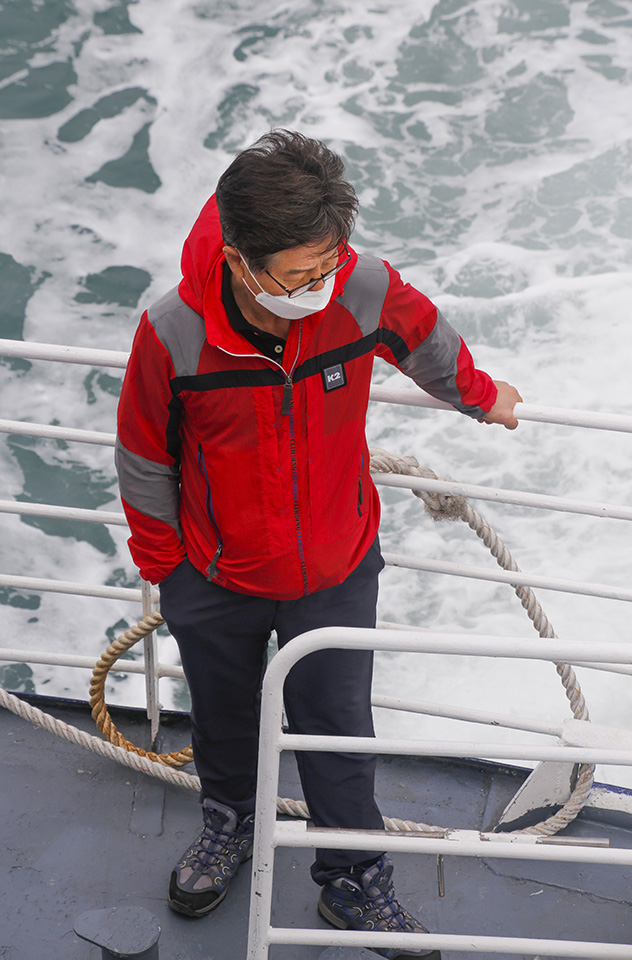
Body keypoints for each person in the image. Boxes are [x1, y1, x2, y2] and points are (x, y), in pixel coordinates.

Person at [115, 129, 522, 959]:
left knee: (338, 731)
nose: (321, 285)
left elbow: (426, 340)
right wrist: (169, 572)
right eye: (301, 275)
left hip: (336, 568)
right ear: (238, 260)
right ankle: (228, 826)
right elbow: (144, 455)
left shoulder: (362, 285)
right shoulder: (171, 332)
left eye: (329, 263)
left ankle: (354, 880)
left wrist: (481, 395)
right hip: (215, 576)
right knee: (224, 719)